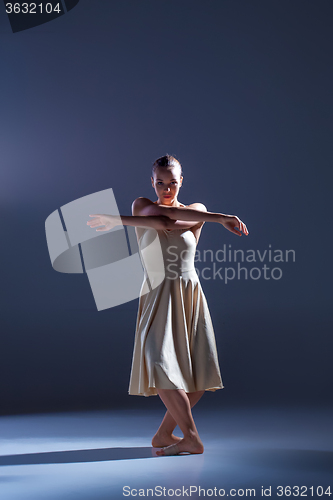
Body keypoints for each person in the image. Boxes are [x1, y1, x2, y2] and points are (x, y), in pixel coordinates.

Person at [87, 154, 249, 456]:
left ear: (181, 181)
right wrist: (222, 217)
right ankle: (191, 438)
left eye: (172, 183)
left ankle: (164, 435)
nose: (166, 189)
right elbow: (161, 220)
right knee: (159, 363)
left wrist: (218, 216)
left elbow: (173, 221)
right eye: (160, 182)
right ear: (152, 182)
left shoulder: (197, 210)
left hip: (189, 292)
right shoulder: (141, 205)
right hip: (158, 291)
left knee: (198, 374)